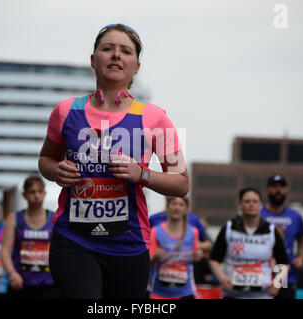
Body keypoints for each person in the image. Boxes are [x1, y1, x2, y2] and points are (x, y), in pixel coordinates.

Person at [39, 23, 189, 299]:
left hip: (129, 243)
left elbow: (181, 183)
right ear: (93, 60)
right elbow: (46, 159)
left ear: (136, 67)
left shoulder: (155, 117)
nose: (116, 55)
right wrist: (56, 170)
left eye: (125, 51)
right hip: (73, 239)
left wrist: (140, 173)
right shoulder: (65, 111)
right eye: (107, 49)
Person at [209, 187, 290, 299]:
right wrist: (222, 278)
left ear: (261, 205)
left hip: (262, 295)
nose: (251, 204)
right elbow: (214, 259)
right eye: (247, 201)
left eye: (255, 201)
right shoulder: (229, 228)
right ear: (240, 205)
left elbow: (284, 262)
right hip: (232, 295)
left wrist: (278, 284)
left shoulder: (271, 231)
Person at [1, 175, 61, 299]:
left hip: (49, 283)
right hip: (21, 282)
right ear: (25, 195)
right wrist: (11, 273)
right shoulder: (14, 218)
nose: (36, 196)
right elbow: (5, 251)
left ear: (44, 194)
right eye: (32, 192)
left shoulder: (54, 218)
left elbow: (62, 250)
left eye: (40, 191)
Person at [260, 174, 303, 299]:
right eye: (274, 186)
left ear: (286, 190)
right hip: (261, 270)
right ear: (267, 190)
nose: (278, 190)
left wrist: (301, 257)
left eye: (281, 186)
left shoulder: (296, 216)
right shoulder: (258, 214)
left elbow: (302, 241)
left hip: (285, 272)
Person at [148, 197, 203, 299]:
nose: (177, 208)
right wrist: (155, 257)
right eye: (174, 204)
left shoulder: (193, 232)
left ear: (186, 209)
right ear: (167, 207)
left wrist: (198, 256)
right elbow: (148, 262)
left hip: (185, 292)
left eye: (181, 204)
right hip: (158, 292)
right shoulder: (155, 231)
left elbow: (196, 256)